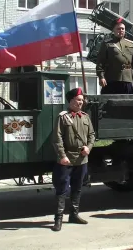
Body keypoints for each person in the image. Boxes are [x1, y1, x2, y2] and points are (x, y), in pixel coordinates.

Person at [51, 87, 96, 231]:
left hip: (82, 159)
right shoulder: (63, 117)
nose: (80, 103)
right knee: (62, 189)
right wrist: (62, 156)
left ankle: (74, 215)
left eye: (82, 100)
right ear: (70, 101)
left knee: (77, 188)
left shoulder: (85, 117)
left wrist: (88, 147)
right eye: (78, 100)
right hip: (67, 160)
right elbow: (57, 138)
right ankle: (58, 219)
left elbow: (92, 135)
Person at [95, 18, 133, 94]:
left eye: (123, 28)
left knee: (126, 104)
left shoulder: (131, 44)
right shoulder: (107, 44)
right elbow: (100, 62)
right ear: (113, 30)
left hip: (127, 80)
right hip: (111, 80)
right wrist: (101, 77)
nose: (121, 30)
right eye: (118, 29)